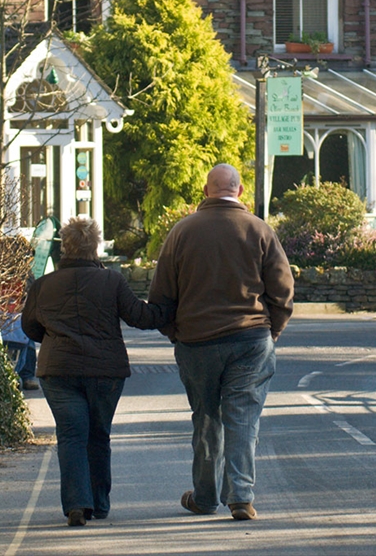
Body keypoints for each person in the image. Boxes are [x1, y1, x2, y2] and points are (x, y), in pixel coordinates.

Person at [149, 164, 294, 522]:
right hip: (250, 338)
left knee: (206, 418)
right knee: (243, 418)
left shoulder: (181, 232)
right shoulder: (259, 230)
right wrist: (270, 332)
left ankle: (204, 496)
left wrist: (176, 332)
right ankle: (241, 497)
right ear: (240, 191)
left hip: (197, 341)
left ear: (205, 190)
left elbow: (161, 296)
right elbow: (283, 291)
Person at [22, 217, 175, 528]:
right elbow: (141, 317)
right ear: (95, 247)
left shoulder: (42, 286)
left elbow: (30, 327)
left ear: (64, 246)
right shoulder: (112, 282)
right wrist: (171, 306)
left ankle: (77, 504)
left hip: (58, 370)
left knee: (70, 434)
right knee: (98, 434)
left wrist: (55, 340)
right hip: (105, 371)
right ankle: (100, 503)